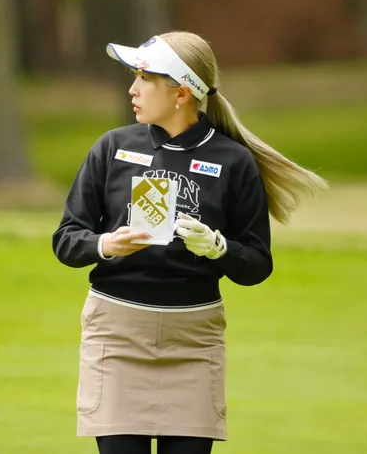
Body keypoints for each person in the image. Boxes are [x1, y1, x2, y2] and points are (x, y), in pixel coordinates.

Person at [51, 31, 327, 454]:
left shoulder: (233, 162)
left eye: (144, 78)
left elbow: (256, 264)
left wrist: (219, 249)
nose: (132, 89)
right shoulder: (112, 148)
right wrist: (107, 245)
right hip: (117, 335)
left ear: (182, 93)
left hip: (194, 341)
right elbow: (67, 240)